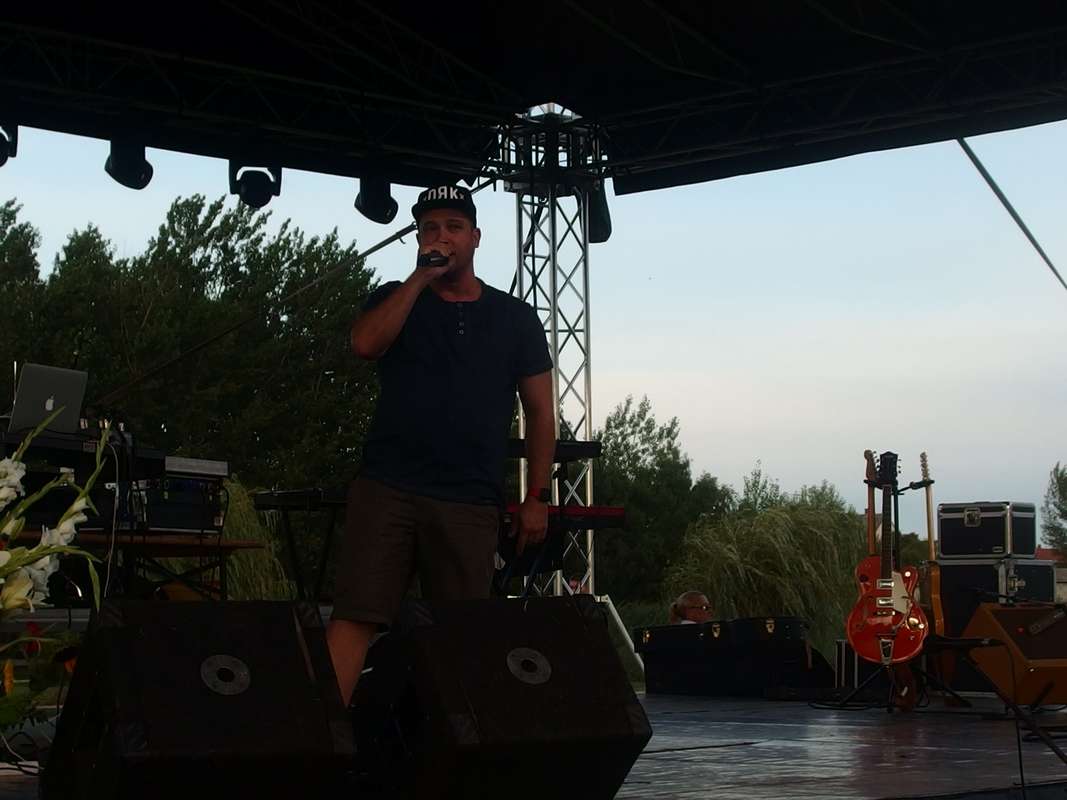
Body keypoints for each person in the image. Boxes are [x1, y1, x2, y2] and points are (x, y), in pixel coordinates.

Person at [326, 184, 556, 706]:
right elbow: (364, 344)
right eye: (430, 228)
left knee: (462, 629)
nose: (442, 236)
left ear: (475, 238)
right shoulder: (395, 296)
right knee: (356, 615)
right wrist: (419, 279)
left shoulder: (515, 317)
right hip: (387, 487)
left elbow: (541, 413)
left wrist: (537, 496)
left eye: (454, 227)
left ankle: (460, 739)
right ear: (417, 240)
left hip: (469, 497)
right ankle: (321, 739)